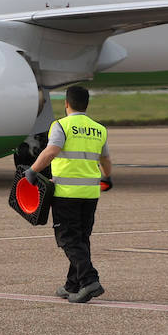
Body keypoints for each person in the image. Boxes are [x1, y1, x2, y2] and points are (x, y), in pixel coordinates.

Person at [24, 85, 113, 303]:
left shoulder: (61, 126)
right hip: (90, 194)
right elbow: (105, 159)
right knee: (81, 238)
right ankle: (72, 285)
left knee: (68, 239)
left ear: (66, 104)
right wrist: (107, 177)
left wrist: (33, 171)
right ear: (86, 105)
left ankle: (89, 281)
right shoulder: (99, 129)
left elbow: (51, 151)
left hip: (66, 193)